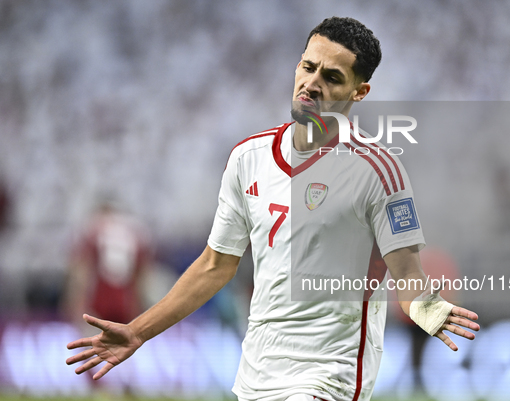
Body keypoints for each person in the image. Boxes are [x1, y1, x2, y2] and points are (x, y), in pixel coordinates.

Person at [67, 17, 479, 401]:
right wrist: (138, 332)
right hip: (256, 376)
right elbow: (215, 266)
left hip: (327, 377)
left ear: (360, 91)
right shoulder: (249, 158)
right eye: (308, 67)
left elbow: (407, 277)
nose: (312, 84)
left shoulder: (378, 171)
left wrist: (430, 311)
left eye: (332, 77)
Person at [62, 199, 153, 327]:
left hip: (98, 303)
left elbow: (81, 275)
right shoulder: (134, 234)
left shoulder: (92, 233)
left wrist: (76, 305)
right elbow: (141, 277)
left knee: (94, 344)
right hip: (126, 304)